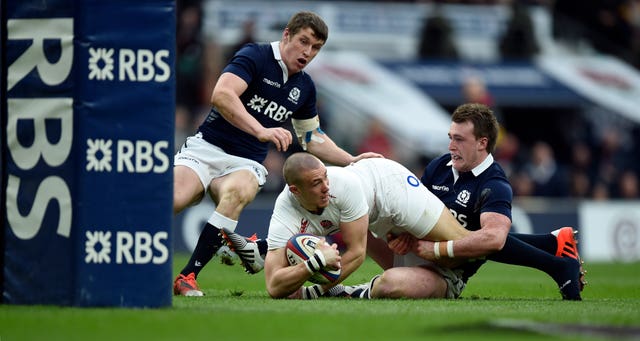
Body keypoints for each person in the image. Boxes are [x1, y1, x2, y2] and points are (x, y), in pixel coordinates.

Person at [172, 11, 382, 297]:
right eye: (303, 42)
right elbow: (222, 95)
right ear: (286, 35)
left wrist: (350, 159)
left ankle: (187, 277)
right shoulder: (255, 56)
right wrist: (261, 129)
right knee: (175, 199)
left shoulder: (304, 86)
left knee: (238, 192)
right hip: (206, 148)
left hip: (245, 162)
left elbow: (312, 138)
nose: (308, 52)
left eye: (316, 47)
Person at [336, 103, 586, 300]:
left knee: (390, 284)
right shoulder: (439, 166)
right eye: (450, 137)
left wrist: (435, 250)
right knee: (360, 220)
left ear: (482, 143)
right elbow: (414, 212)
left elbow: (495, 240)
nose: (451, 146)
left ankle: (344, 291)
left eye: (459, 140)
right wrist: (400, 237)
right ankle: (554, 245)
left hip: (446, 271)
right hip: (415, 252)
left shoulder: (495, 184)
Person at [248, 152, 471, 299]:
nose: (327, 186)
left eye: (325, 177)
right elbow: (274, 286)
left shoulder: (343, 186)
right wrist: (314, 263)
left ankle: (493, 244)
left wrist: (313, 291)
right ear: (295, 191)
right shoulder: (285, 212)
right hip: (375, 219)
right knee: (390, 283)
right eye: (317, 183)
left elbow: (356, 254)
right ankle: (355, 291)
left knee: (469, 243)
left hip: (390, 186)